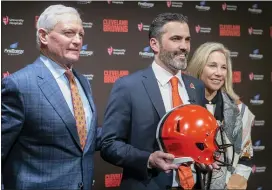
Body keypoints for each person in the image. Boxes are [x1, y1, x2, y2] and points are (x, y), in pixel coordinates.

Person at [100, 13, 218, 190]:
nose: (184, 46)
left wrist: (202, 159)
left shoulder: (197, 86)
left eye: (187, 39)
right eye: (176, 39)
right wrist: (148, 159)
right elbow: (109, 145)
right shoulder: (128, 86)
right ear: (154, 44)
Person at [1, 4, 101, 190]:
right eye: (69, 33)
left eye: (81, 34)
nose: (78, 40)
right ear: (43, 36)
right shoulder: (19, 84)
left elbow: (86, 138)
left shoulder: (83, 82)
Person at [187, 42, 254, 189]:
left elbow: (245, 157)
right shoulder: (183, 107)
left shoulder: (240, 111)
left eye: (223, 67)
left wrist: (232, 185)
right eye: (212, 65)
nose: (219, 73)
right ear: (199, 67)